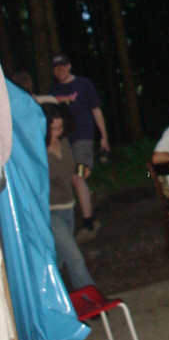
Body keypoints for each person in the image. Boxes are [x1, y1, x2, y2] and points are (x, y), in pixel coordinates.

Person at [49, 53, 110, 244]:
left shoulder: (84, 84)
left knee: (78, 176)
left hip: (83, 139)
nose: (60, 70)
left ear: (69, 66)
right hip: (64, 142)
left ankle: (89, 223)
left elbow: (96, 110)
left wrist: (104, 137)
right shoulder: (53, 90)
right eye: (56, 67)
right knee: (73, 179)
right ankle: (89, 215)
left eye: (63, 66)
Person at [42, 103, 95, 291]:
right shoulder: (38, 150)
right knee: (75, 258)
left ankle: (47, 296)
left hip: (68, 209)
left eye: (60, 127)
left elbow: (71, 169)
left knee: (60, 259)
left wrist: (82, 170)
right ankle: (92, 298)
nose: (57, 132)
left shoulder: (63, 142)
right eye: (53, 129)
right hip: (51, 213)